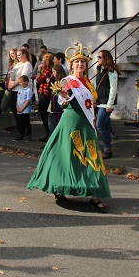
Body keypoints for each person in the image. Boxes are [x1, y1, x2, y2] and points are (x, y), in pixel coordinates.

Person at [27, 43, 110, 212]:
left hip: (86, 124)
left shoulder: (87, 81)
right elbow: (62, 102)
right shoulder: (67, 81)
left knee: (92, 158)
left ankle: (95, 195)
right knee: (66, 157)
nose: (80, 64)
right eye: (77, 62)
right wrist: (64, 96)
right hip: (71, 122)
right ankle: (60, 188)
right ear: (71, 65)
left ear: (86, 65)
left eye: (83, 62)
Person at [94, 49, 120, 159]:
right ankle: (106, 147)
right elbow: (96, 85)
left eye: (100, 57)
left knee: (99, 125)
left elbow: (113, 88)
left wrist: (110, 104)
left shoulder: (111, 71)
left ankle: (107, 149)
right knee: (102, 125)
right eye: (98, 57)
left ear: (106, 58)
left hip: (106, 102)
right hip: (99, 100)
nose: (98, 59)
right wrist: (94, 98)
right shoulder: (99, 70)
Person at [7, 48, 34, 140]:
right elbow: (12, 76)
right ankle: (20, 131)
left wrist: (12, 85)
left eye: (19, 55)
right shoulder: (17, 64)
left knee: (24, 113)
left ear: (25, 55)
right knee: (16, 111)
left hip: (22, 90)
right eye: (17, 55)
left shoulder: (27, 64)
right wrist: (10, 85)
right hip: (14, 90)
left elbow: (22, 78)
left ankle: (27, 133)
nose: (18, 57)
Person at [35, 53, 57, 142]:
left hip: (44, 93)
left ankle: (48, 133)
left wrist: (39, 70)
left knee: (44, 113)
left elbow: (38, 79)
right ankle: (48, 132)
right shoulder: (52, 70)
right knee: (45, 113)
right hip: (46, 93)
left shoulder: (47, 70)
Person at [15, 75, 34, 142]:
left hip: (25, 110)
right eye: (19, 82)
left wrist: (22, 108)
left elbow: (28, 100)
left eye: (21, 82)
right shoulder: (20, 90)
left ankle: (28, 135)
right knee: (20, 123)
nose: (20, 84)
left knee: (26, 123)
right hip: (19, 109)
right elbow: (17, 99)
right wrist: (17, 107)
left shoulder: (28, 90)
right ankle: (21, 134)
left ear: (26, 82)